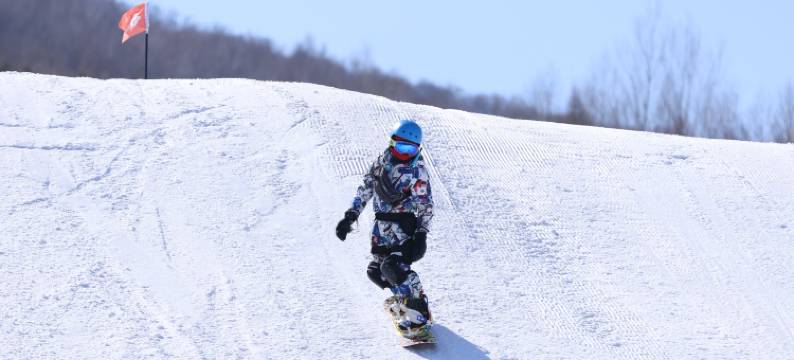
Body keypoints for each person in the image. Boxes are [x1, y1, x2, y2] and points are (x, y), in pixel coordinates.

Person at [335, 119, 434, 332]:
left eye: (410, 149)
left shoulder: (417, 171)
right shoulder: (381, 163)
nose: (405, 154)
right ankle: (406, 299)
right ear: (392, 142)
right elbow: (366, 189)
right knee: (376, 271)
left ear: (417, 149)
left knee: (393, 267)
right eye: (401, 147)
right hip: (381, 227)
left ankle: (418, 313)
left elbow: (425, 206)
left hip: (403, 227)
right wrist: (350, 216)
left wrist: (421, 234)